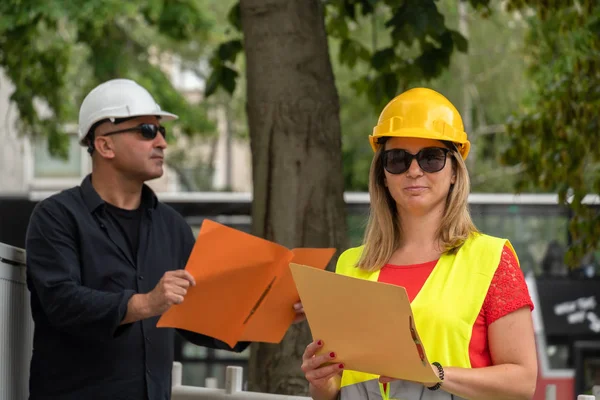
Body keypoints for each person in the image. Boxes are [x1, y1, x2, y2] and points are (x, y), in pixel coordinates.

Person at [25, 79, 305, 400]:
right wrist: (145, 303)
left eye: (162, 132)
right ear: (105, 145)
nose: (161, 142)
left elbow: (195, 320)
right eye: (146, 130)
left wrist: (265, 314)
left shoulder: (171, 225)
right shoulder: (56, 217)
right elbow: (62, 303)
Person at [300, 88, 538, 400]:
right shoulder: (351, 265)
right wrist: (322, 384)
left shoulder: (491, 258)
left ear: (454, 171)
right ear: (383, 175)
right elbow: (338, 390)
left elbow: (523, 382)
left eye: (431, 157)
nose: (414, 170)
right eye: (397, 159)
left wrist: (434, 375)